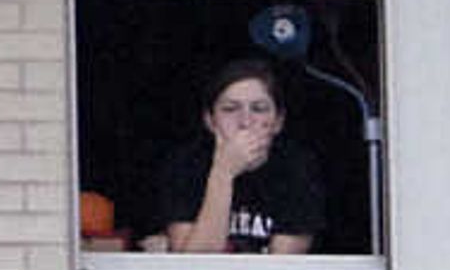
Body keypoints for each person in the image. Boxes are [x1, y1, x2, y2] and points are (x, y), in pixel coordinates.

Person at [138, 56, 321, 255]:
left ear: (278, 121)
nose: (245, 121)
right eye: (230, 109)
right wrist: (223, 172)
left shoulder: (297, 168)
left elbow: (280, 268)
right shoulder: (185, 165)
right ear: (210, 120)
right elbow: (196, 262)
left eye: (259, 109)